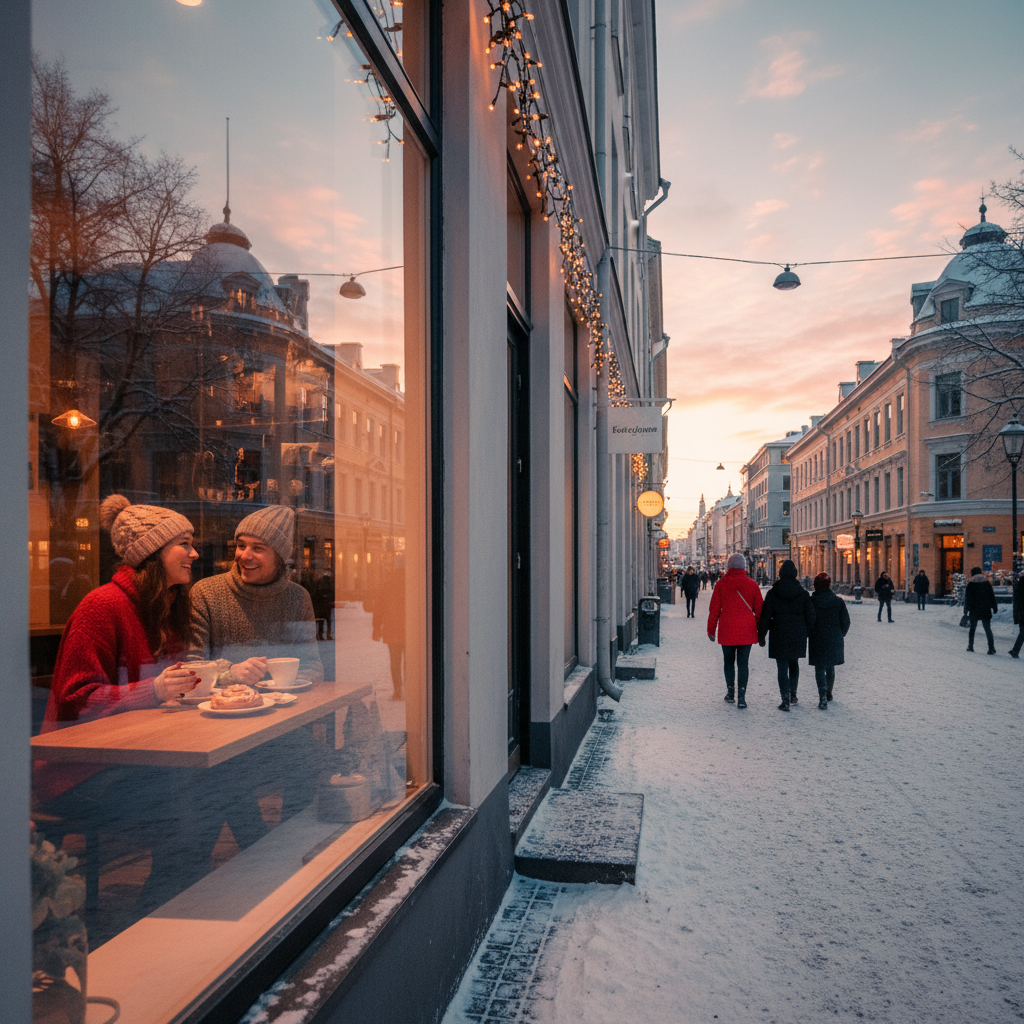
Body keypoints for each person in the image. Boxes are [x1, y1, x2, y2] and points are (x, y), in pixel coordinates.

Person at [36, 495, 219, 918]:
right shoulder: (101, 607)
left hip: (136, 756)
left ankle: (179, 904)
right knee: (188, 796)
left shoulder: (165, 607)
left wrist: (214, 681)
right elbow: (75, 699)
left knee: (216, 781)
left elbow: (169, 686)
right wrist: (152, 691)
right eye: (184, 544)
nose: (194, 553)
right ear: (152, 554)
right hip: (75, 772)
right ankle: (160, 916)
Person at [189, 505, 324, 838]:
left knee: (310, 758)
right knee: (230, 774)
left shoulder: (297, 598)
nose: (244, 555)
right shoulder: (206, 593)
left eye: (258, 548)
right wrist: (231, 673)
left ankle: (285, 840)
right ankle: (260, 846)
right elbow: (191, 668)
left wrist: (283, 681)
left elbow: (313, 665)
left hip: (279, 721)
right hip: (218, 726)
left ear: (279, 557)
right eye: (240, 545)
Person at [707, 552, 763, 709]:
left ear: (728, 567)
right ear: (744, 567)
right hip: (747, 630)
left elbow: (714, 610)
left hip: (727, 629)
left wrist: (711, 629)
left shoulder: (721, 584)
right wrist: (760, 629)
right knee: (743, 664)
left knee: (728, 662)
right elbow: (760, 610)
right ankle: (742, 697)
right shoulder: (752, 584)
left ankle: (730, 693)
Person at [758, 559, 815, 711]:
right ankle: (793, 694)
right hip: (797, 633)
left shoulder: (773, 593)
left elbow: (765, 616)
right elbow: (810, 616)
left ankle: (785, 699)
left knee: (782, 666)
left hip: (779, 632)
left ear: (781, 574)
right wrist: (808, 632)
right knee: (794, 663)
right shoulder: (803, 594)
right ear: (795, 574)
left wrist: (761, 635)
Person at [808, 572, 850, 709]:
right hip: (834, 637)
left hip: (817, 637)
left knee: (819, 667)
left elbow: (809, 620)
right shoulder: (838, 601)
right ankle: (828, 693)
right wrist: (840, 634)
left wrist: (810, 633)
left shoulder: (812, 601)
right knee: (830, 666)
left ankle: (822, 696)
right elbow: (846, 621)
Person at [372, 557, 406, 699]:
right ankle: (411, 689)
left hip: (392, 628)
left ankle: (397, 691)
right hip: (409, 628)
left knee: (395, 661)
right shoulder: (413, 584)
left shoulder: (387, 585)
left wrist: (376, 628)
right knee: (411, 661)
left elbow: (378, 608)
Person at [963, 566, 998, 654]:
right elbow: (991, 595)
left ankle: (970, 646)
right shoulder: (986, 583)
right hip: (985, 609)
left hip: (974, 610)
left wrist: (966, 610)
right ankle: (991, 648)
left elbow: (967, 599)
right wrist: (994, 607)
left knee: (972, 629)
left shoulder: (971, 584)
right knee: (987, 629)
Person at [1010, 572, 1023, 659]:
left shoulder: (1018, 587)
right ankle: (1015, 650)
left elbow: (1015, 603)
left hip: (1021, 613)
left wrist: (1016, 616)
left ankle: (1015, 650)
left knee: (1022, 632)